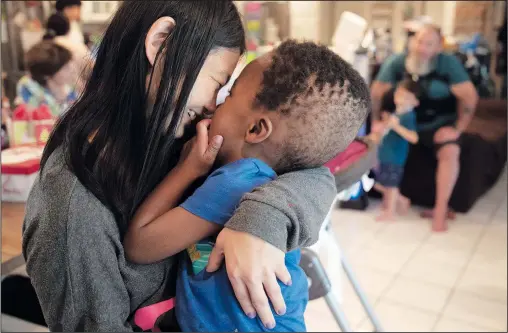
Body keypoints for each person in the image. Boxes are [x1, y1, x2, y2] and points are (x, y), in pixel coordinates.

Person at [22, 2, 337, 331]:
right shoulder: (74, 206)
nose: (213, 104)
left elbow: (316, 173)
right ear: (160, 41)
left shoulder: (185, 137)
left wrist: (263, 220)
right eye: (218, 83)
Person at [124, 40, 371, 332]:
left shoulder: (235, 184)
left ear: (255, 130)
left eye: (229, 96)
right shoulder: (266, 177)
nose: (213, 105)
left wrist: (185, 170)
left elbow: (139, 246)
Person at [370, 24, 478, 232]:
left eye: (429, 44)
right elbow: (375, 93)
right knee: (376, 148)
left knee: (451, 150)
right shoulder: (397, 62)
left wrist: (457, 128)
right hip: (403, 125)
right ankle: (394, 198)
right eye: (419, 41)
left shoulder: (448, 64)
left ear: (438, 47)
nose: (422, 48)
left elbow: (470, 97)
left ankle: (440, 210)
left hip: (437, 126)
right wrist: (376, 121)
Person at [374, 79, 419, 221]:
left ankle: (390, 212)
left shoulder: (408, 116)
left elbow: (413, 137)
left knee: (391, 185)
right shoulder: (397, 114)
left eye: (406, 97)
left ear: (415, 102)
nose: (401, 100)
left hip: (395, 156)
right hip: (385, 154)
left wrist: (395, 126)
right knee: (382, 183)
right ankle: (399, 201)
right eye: (399, 95)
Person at [16, 41, 77, 117]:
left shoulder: (71, 91)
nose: (73, 70)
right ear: (46, 74)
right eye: (66, 68)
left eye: (70, 64)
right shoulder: (29, 90)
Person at [44, 12, 92, 93]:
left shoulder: (42, 47)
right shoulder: (78, 46)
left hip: (48, 98)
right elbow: (91, 70)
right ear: (68, 28)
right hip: (75, 96)